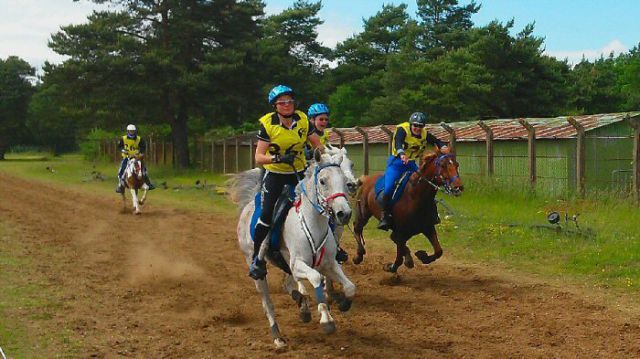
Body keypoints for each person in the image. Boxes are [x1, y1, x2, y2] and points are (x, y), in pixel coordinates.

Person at [250, 85, 324, 280]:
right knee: (267, 215)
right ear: (275, 106)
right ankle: (257, 258)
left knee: (321, 206)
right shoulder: (268, 124)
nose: (287, 105)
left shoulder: (302, 120)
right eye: (282, 102)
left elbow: (318, 144)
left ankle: (333, 248)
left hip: (298, 173)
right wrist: (277, 159)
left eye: (289, 101)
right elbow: (259, 156)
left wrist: (319, 155)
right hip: (275, 174)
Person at [378, 112, 449, 231]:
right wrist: (401, 154)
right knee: (389, 188)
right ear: (411, 124)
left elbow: (436, 141)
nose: (417, 128)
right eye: (415, 125)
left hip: (411, 164)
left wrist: (443, 146)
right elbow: (398, 142)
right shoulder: (402, 129)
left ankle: (431, 214)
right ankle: (385, 215)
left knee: (426, 184)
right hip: (396, 163)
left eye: (420, 126)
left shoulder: (424, 134)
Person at [306, 103, 349, 263]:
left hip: (320, 175)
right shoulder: (304, 134)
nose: (324, 122)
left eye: (325, 119)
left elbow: (326, 153)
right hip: (304, 174)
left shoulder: (324, 136)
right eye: (320, 119)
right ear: (312, 120)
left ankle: (334, 245)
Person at [115, 124, 156, 193]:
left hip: (137, 157)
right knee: (122, 169)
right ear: (128, 131)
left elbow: (143, 147)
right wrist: (123, 150)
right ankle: (120, 186)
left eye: (133, 131)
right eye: (130, 131)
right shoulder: (123, 138)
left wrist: (141, 153)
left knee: (144, 169)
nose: (132, 133)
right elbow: (119, 146)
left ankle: (149, 183)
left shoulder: (139, 139)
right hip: (127, 157)